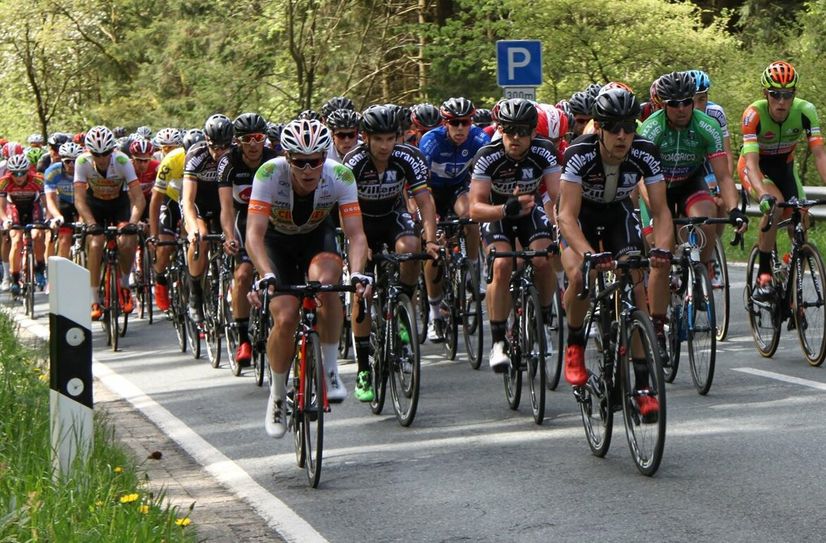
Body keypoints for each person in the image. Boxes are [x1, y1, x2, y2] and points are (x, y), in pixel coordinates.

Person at [246, 119, 371, 437]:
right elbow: (254, 235)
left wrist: (357, 274)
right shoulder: (269, 174)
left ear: (324, 158)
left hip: (317, 239)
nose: (308, 168)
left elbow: (356, 235)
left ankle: (330, 370)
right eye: (299, 161)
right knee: (286, 317)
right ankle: (276, 396)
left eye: (315, 160)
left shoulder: (339, 175)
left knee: (329, 285)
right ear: (287, 158)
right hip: (277, 245)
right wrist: (266, 275)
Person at [556, 88, 673, 419]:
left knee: (635, 281)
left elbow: (662, 211)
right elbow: (566, 216)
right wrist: (589, 254)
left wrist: (662, 249)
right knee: (580, 273)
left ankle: (643, 385)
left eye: (628, 126)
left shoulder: (645, 151)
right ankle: (575, 344)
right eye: (613, 127)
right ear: (599, 127)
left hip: (618, 212)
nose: (622, 135)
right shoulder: (580, 152)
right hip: (580, 216)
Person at [343, 104, 439, 401]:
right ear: (367, 138)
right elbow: (341, 207)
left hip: (392, 216)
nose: (385, 146)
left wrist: (431, 239)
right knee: (361, 289)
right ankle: (362, 370)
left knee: (411, 248)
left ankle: (402, 308)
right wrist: (359, 242)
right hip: (359, 222)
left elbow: (424, 200)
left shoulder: (407, 157)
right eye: (378, 140)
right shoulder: (353, 162)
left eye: (390, 139)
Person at [468, 98, 560, 371]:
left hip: (531, 213)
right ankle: (498, 342)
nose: (515, 137)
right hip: (498, 215)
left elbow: (558, 197)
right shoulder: (488, 155)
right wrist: (503, 208)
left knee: (543, 259)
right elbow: (475, 208)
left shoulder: (545, 151)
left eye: (522, 131)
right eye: (509, 131)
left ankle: (543, 320)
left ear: (533, 132)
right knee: (502, 264)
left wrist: (563, 228)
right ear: (500, 130)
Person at [737, 61, 826, 301]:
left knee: (801, 218)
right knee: (775, 205)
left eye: (787, 95)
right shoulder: (753, 115)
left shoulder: (806, 111)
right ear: (765, 93)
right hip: (755, 168)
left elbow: (820, 155)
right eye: (775, 94)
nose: (781, 101)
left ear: (794, 94)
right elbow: (752, 163)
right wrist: (762, 194)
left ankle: (790, 270)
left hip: (785, 168)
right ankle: (764, 275)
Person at [419, 97, 489, 342]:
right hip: (431, 192)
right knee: (434, 248)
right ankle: (434, 314)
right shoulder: (430, 142)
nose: (460, 128)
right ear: (445, 123)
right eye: (454, 123)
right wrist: (431, 218)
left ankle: (471, 273)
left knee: (471, 217)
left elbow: (486, 174)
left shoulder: (479, 139)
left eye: (465, 122)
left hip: (458, 187)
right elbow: (419, 185)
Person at [217, 112, 278, 366]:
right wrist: (230, 235)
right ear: (238, 141)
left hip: (273, 217)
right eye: (246, 139)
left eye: (258, 138)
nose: (253, 144)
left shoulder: (274, 159)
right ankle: (243, 339)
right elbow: (226, 208)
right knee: (242, 275)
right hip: (243, 217)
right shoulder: (228, 162)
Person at [73, 126, 144, 320]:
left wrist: (133, 222)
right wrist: (90, 223)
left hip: (118, 205)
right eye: (97, 154)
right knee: (95, 244)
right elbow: (79, 199)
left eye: (105, 153)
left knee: (128, 241)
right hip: (94, 206)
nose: (102, 158)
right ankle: (94, 298)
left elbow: (138, 198)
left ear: (112, 150)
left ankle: (124, 286)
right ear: (90, 152)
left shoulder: (122, 161)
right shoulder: (82, 162)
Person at [182, 115, 233, 323]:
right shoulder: (196, 155)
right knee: (200, 239)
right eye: (214, 147)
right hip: (199, 204)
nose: (219, 152)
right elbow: (187, 200)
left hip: (224, 203)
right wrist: (193, 228)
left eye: (224, 148)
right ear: (206, 139)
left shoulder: (235, 156)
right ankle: (195, 294)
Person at [0, 155, 47, 294]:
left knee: (38, 235)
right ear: (10, 172)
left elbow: (45, 202)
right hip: (14, 208)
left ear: (28, 171)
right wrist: (5, 220)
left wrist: (49, 217)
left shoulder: (38, 180)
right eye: (14, 173)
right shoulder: (4, 182)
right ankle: (14, 278)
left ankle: (39, 268)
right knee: (16, 240)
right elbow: (1, 206)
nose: (18, 177)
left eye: (22, 173)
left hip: (33, 207)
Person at [44, 142, 83, 258]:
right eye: (67, 161)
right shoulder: (52, 172)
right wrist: (57, 216)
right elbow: (50, 200)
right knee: (64, 239)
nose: (71, 165)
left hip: (82, 203)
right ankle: (62, 268)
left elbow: (90, 197)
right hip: (64, 203)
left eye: (75, 161)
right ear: (61, 160)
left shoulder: (86, 169)